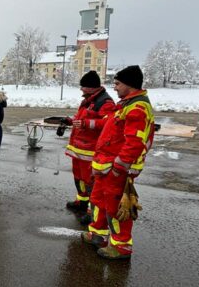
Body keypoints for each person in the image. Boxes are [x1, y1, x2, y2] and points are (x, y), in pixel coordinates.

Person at [81, 65, 155, 260]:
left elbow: (134, 142)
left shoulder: (137, 108)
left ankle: (121, 247)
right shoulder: (125, 104)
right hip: (105, 167)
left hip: (116, 170)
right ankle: (97, 234)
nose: (114, 88)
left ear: (129, 85)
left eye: (118, 83)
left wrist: (119, 168)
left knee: (116, 208)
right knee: (97, 201)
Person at [65, 71, 115, 223]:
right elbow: (81, 118)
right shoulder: (88, 100)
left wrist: (87, 124)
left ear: (92, 87)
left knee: (91, 182)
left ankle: (91, 212)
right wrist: (70, 120)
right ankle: (81, 202)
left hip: (90, 151)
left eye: (84, 87)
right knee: (78, 177)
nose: (81, 90)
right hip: (78, 148)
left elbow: (108, 123)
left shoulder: (105, 103)